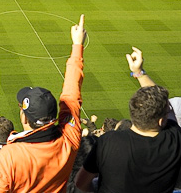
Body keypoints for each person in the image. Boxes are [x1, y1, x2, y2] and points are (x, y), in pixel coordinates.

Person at [0, 14, 86, 193]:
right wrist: (77, 47)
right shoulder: (68, 141)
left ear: (24, 117)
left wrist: (77, 45)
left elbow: (71, 96)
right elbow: (71, 97)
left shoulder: (10, 155)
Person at [75, 47, 181, 193]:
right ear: (161, 120)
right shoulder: (174, 139)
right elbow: (164, 103)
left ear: (133, 113)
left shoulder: (108, 141)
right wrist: (140, 73)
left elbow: (80, 183)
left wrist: (138, 72)